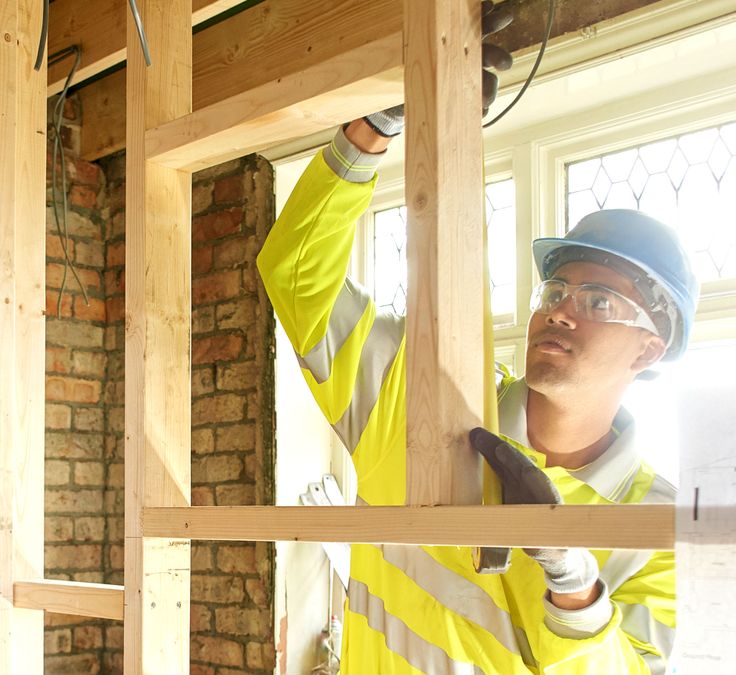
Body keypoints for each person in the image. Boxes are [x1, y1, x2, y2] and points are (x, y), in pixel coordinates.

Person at [256, 23, 697, 673]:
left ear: (648, 349)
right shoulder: (422, 398)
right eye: (556, 288)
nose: (560, 311)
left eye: (599, 301)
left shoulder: (659, 530)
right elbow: (296, 273)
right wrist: (372, 126)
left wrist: (573, 583)